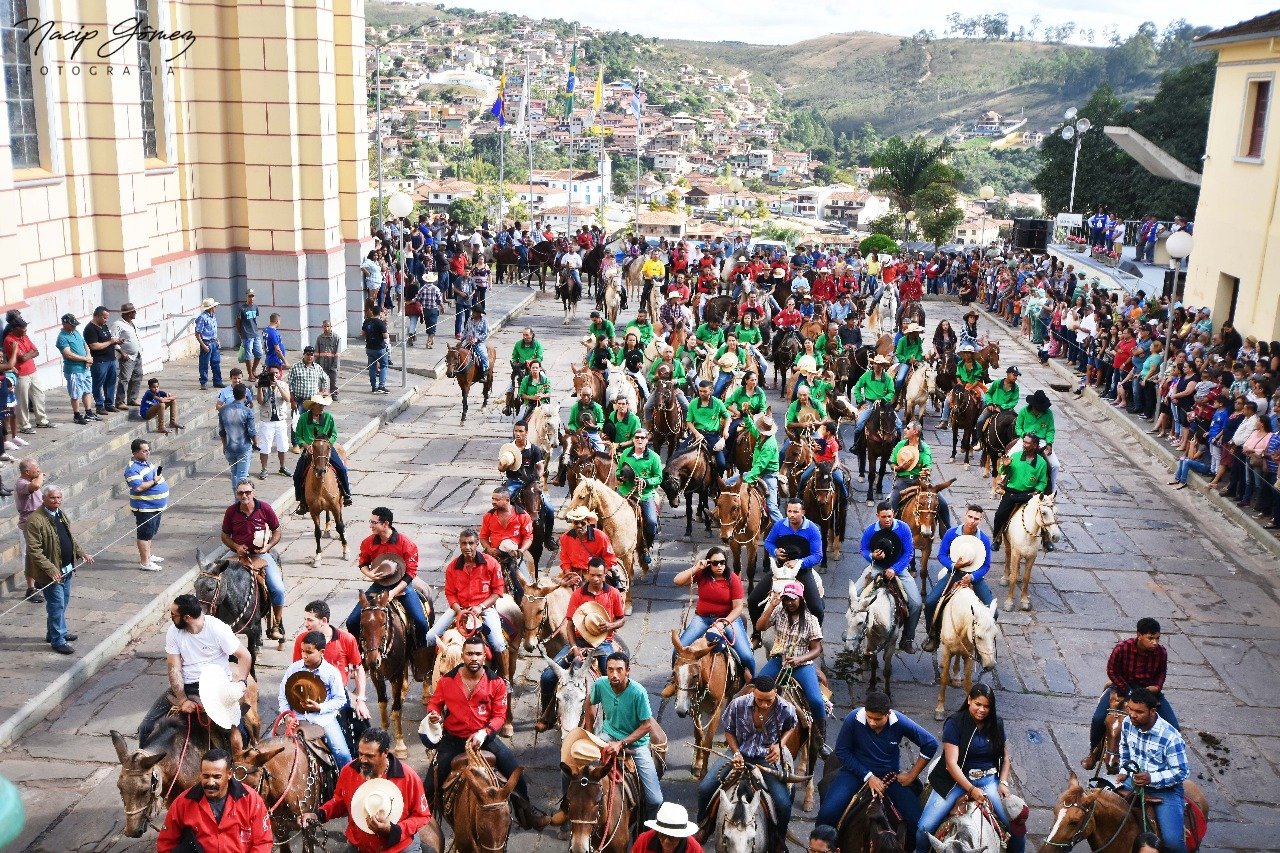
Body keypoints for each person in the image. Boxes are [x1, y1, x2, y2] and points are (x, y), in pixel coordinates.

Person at [421, 634, 547, 829]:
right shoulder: (447, 681)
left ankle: (527, 811)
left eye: (478, 654)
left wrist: (484, 733)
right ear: (463, 656)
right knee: (429, 785)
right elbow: (435, 703)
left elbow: (499, 716)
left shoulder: (496, 683)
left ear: (484, 656)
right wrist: (433, 714)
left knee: (516, 776)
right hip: (453, 740)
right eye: (470, 654)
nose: (474, 658)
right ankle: (421, 822)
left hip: (485, 739)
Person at [915, 684, 1024, 853]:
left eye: (986, 706)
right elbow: (951, 764)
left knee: (1017, 828)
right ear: (969, 700)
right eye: (978, 704)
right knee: (924, 827)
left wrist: (1003, 782)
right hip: (955, 782)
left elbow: (1006, 757)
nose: (982, 710)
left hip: (988, 780)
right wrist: (971, 789)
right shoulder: (955, 723)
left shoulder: (997, 723)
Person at [814, 690, 937, 836]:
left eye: (877, 719)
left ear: (888, 713)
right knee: (826, 815)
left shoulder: (899, 721)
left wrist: (911, 775)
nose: (872, 722)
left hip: (889, 777)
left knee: (917, 824)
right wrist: (868, 776)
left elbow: (930, 743)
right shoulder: (853, 718)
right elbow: (842, 751)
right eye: (869, 717)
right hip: (855, 773)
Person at [139, 594, 253, 746]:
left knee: (237, 734)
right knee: (146, 727)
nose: (171, 617)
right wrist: (182, 699)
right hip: (187, 685)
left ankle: (240, 763)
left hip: (216, 688)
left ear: (186, 617)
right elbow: (174, 668)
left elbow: (244, 655)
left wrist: (242, 681)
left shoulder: (217, 628)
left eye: (173, 615)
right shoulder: (174, 632)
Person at [300, 727, 434, 853]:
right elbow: (340, 801)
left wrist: (394, 830)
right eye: (360, 754)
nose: (362, 760)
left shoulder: (408, 777)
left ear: (385, 753)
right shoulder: (349, 771)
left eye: (370, 756)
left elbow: (422, 816)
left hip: (397, 849)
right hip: (360, 847)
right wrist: (318, 815)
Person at [695, 676, 795, 840]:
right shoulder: (738, 704)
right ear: (753, 692)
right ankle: (703, 825)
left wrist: (780, 745)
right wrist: (736, 752)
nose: (764, 704)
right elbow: (728, 730)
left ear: (775, 693)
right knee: (705, 788)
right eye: (760, 700)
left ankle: (779, 839)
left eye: (768, 701)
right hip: (739, 752)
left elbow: (791, 726)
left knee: (783, 804)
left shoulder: (786, 708)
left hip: (766, 758)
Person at [536, 558, 626, 732]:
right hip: (579, 641)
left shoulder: (613, 593)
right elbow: (570, 624)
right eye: (592, 575)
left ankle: (614, 717)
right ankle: (548, 716)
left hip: (603, 642)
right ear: (586, 573)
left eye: (599, 575)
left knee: (613, 679)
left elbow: (621, 619)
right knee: (547, 676)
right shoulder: (578, 595)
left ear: (605, 573)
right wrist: (574, 647)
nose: (596, 579)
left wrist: (610, 626)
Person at [1086, 618, 1180, 766]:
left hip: (1148, 692)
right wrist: (1127, 690)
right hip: (1123, 687)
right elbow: (1112, 670)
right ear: (1139, 635)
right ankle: (1093, 753)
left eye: (1157, 638)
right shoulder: (1122, 649)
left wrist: (1156, 687)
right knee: (1098, 719)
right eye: (1150, 638)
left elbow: (1161, 674)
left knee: (1174, 726)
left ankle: (1168, 760)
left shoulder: (1161, 652)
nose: (1155, 642)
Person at [586, 652, 663, 821]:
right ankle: (566, 810)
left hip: (637, 745)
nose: (614, 674)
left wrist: (621, 743)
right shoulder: (600, 684)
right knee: (574, 768)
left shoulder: (638, 692)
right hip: (607, 736)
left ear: (627, 670)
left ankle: (648, 831)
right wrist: (590, 733)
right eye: (610, 669)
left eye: (619, 670)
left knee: (655, 800)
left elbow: (647, 725)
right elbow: (590, 702)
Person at [753, 583, 829, 754]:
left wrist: (799, 659)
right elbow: (759, 627)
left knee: (816, 701)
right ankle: (750, 727)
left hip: (802, 665)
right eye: (785, 599)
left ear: (801, 599)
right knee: (755, 686)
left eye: (792, 599)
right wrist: (772, 605)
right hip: (779, 660)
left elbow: (817, 649)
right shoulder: (778, 612)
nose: (788, 603)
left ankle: (820, 739)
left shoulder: (811, 620)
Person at [668, 547, 756, 690]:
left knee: (746, 656)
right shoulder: (702, 574)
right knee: (679, 650)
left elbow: (738, 608)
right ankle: (675, 680)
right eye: (715, 563)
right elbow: (677, 581)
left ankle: (752, 685)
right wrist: (696, 568)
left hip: (727, 620)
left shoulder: (733, 578)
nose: (719, 566)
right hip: (702, 618)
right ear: (709, 563)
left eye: (722, 562)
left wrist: (723, 623)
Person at [1116, 688, 1192, 853]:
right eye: (1130, 709)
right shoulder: (1128, 723)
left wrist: (1152, 778)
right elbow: (1124, 748)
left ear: (1152, 711)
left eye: (1139, 712)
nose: (1133, 715)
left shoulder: (1171, 737)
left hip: (1165, 791)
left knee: (1172, 843)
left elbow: (1182, 772)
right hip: (1132, 781)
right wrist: (1123, 769)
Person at [156, 748, 273, 853]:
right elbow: (165, 844)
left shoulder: (251, 800)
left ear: (230, 774)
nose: (210, 782)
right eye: (206, 776)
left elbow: (263, 842)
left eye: (217, 777)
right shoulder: (183, 803)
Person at [345, 507, 430, 649]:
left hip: (402, 585)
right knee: (352, 621)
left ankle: (422, 655)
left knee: (421, 622)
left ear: (385, 524)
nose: (370, 525)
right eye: (370, 522)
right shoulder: (368, 542)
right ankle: (359, 654)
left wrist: (393, 592)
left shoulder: (405, 543)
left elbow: (410, 573)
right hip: (379, 585)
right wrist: (369, 574)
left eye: (374, 523)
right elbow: (363, 563)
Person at [25, 486, 92, 655]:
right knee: (56, 606)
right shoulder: (35, 520)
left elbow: (69, 537)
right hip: (51, 575)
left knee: (63, 604)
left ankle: (54, 632)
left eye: (59, 498)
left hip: (67, 569)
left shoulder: (60, 514)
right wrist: (51, 569)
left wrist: (81, 552)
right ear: (44, 499)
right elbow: (34, 550)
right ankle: (58, 640)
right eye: (53, 498)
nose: (57, 501)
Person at [426, 529, 508, 661]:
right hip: (459, 609)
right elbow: (450, 593)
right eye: (464, 543)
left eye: (471, 543)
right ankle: (430, 673)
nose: (467, 547)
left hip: (484, 610)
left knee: (498, 643)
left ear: (477, 544)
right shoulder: (452, 567)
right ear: (459, 545)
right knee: (430, 637)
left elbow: (498, 591)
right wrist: (459, 610)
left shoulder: (491, 563)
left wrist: (480, 607)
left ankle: (504, 677)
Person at [922, 505, 994, 653]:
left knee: (993, 611)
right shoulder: (951, 533)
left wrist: (972, 577)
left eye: (976, 519)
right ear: (965, 515)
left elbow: (986, 565)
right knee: (930, 602)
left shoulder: (984, 539)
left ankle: (986, 641)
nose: (972, 521)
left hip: (973, 576)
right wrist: (954, 565)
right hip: (954, 573)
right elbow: (941, 555)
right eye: (970, 517)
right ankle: (932, 635)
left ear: (980, 520)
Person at [222, 479, 287, 641]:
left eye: (247, 492)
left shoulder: (264, 508)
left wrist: (268, 547)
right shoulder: (231, 511)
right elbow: (224, 535)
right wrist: (236, 546)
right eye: (241, 493)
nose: (244, 496)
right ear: (237, 495)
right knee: (213, 577)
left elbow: (277, 531)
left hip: (261, 555)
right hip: (238, 555)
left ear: (254, 493)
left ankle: (276, 624)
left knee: (278, 588)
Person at [853, 501, 920, 651]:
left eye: (890, 516)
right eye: (884, 517)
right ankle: (854, 633)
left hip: (899, 569)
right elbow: (863, 549)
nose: (887, 519)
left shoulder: (903, 528)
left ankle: (907, 638)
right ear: (878, 516)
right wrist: (872, 556)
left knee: (916, 603)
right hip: (877, 567)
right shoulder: (871, 530)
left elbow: (909, 553)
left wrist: (895, 569)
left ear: (893, 514)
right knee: (855, 595)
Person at [280, 631, 353, 768]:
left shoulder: (331, 672)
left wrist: (320, 707)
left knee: (342, 754)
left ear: (322, 652)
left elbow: (340, 699)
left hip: (323, 719)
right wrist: (287, 715)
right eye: (302, 651)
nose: (304, 656)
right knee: (268, 746)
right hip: (297, 717)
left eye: (309, 652)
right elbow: (283, 696)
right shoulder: (293, 669)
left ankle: (347, 784)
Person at [295, 600, 369, 726]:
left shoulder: (346, 639)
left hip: (336, 695)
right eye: (305, 619)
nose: (305, 624)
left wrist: (360, 699)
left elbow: (358, 669)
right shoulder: (301, 640)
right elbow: (296, 671)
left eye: (310, 620)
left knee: (361, 726)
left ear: (324, 620)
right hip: (309, 694)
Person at [760, 498, 825, 620]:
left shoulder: (813, 529)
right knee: (754, 600)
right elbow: (768, 542)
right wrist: (775, 551)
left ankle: (816, 638)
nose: (791, 515)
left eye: (795, 512)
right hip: (780, 569)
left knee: (817, 608)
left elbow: (818, 555)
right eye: (789, 511)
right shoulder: (779, 525)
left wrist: (799, 563)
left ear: (803, 512)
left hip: (802, 571)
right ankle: (757, 634)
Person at [292, 393, 352, 510]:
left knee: (342, 468)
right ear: (313, 406)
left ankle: (347, 494)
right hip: (310, 450)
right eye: (319, 405)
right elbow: (298, 436)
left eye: (323, 406)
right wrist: (306, 445)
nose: (322, 408)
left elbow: (334, 434)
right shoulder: (303, 418)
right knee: (297, 475)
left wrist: (328, 443)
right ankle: (302, 501)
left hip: (326, 448)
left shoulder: (328, 417)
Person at [990, 434, 1049, 550]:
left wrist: (1037, 491)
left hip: (1030, 494)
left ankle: (1046, 540)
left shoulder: (1042, 463)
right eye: (1024, 442)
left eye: (1027, 443)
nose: (1024, 445)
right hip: (1012, 493)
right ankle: (997, 538)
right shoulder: (1015, 456)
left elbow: (1042, 482)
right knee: (999, 515)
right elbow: (1003, 470)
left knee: (1044, 514)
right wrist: (1005, 466)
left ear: (1035, 445)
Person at [617, 429, 662, 560]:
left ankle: (646, 547)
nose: (639, 440)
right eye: (637, 437)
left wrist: (646, 481)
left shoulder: (654, 457)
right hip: (625, 491)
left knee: (652, 522)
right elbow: (619, 470)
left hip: (645, 494)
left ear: (647, 440)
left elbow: (659, 478)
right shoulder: (625, 453)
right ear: (633, 439)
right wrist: (620, 476)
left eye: (642, 438)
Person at [125, 439, 168, 573]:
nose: (148, 452)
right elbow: (139, 487)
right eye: (144, 451)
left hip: (155, 506)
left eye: (148, 450)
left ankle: (148, 555)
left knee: (150, 532)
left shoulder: (146, 462)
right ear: (135, 452)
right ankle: (145, 562)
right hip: (145, 507)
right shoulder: (132, 469)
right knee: (144, 534)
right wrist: (155, 481)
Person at [5, 317, 52, 432]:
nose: (26, 329)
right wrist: (30, 353)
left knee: (39, 395)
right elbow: (22, 357)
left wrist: (29, 354)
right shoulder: (9, 340)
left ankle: (42, 420)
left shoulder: (25, 337)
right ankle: (24, 425)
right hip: (21, 374)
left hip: (32, 371)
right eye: (23, 328)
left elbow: (36, 351)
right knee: (23, 401)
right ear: (16, 328)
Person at [1015, 389, 1059, 493]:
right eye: (1037, 408)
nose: (1039, 410)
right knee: (1010, 456)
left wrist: (1049, 443)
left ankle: (1051, 491)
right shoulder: (1023, 411)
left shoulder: (1048, 414)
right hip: (1025, 439)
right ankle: (1003, 483)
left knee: (1055, 465)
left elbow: (1050, 430)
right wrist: (1024, 435)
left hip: (1041, 440)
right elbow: (1018, 428)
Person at [851, 354, 900, 449]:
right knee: (860, 424)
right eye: (876, 364)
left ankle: (896, 447)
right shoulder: (866, 375)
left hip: (884, 403)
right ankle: (856, 445)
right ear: (873, 364)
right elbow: (857, 388)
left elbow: (891, 392)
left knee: (898, 425)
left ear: (883, 366)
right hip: (869, 403)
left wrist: (883, 399)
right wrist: (861, 401)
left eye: (880, 364)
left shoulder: (887, 378)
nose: (878, 366)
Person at [559, 505, 620, 580]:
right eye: (576, 523)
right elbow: (565, 561)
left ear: (588, 522)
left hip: (596, 573)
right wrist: (569, 575)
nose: (579, 525)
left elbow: (610, 559)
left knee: (612, 591)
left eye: (583, 523)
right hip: (573, 573)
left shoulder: (600, 536)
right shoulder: (565, 537)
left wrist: (600, 575)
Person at [55, 313, 96, 425]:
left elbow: (85, 345)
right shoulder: (62, 337)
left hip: (85, 368)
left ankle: (88, 412)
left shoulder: (75, 332)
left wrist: (88, 357)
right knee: (76, 393)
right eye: (72, 325)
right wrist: (85, 359)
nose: (74, 326)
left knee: (87, 390)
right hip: (74, 369)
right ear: (65, 324)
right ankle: (77, 415)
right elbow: (68, 354)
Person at [218, 385, 257, 498]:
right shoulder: (247, 411)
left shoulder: (224, 410)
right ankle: (240, 501)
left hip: (229, 446)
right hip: (243, 446)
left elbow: (222, 431)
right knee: (242, 476)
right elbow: (252, 432)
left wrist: (224, 445)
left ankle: (237, 499)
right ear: (245, 395)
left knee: (234, 474)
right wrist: (256, 443)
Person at [686, 380, 730, 479]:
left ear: (711, 391)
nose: (702, 393)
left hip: (713, 436)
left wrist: (725, 430)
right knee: (678, 455)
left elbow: (727, 417)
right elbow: (689, 421)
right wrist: (696, 434)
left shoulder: (718, 403)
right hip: (697, 434)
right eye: (700, 391)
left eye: (704, 391)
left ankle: (716, 484)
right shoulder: (693, 403)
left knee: (721, 463)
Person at [15, 457, 45, 602]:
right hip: (28, 523)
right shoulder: (22, 483)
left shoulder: (31, 481)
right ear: (27, 472)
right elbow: (36, 486)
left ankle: (39, 579)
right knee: (30, 555)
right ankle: (30, 588)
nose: (38, 470)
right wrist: (40, 477)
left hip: (39, 521)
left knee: (41, 551)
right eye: (36, 469)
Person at [82, 305, 121, 415]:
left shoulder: (103, 326)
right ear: (97, 316)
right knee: (98, 384)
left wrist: (116, 341)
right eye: (104, 318)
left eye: (107, 318)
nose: (106, 320)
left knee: (111, 382)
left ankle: (109, 404)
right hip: (99, 361)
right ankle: (99, 405)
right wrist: (110, 342)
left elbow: (107, 340)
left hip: (110, 359)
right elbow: (94, 346)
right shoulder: (90, 329)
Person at [797, 420, 848, 502]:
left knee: (839, 480)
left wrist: (832, 469)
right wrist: (814, 450)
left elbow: (836, 459)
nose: (822, 432)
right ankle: (799, 495)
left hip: (828, 466)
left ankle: (845, 496)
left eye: (823, 430)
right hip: (818, 464)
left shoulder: (833, 444)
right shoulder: (821, 440)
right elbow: (815, 454)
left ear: (828, 432)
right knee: (803, 477)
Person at [255, 365, 292, 477]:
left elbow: (287, 399)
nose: (274, 375)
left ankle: (282, 467)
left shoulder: (283, 384)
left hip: (280, 419)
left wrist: (278, 386)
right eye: (272, 373)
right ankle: (264, 469)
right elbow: (260, 401)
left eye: (276, 373)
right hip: (267, 420)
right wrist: (260, 387)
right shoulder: (263, 385)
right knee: (265, 446)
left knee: (283, 445)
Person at [287, 347, 330, 439]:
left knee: (314, 420)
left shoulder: (317, 367)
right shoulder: (295, 367)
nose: (309, 357)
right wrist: (292, 401)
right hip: (299, 400)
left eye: (311, 355)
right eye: (308, 355)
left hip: (313, 400)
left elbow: (325, 378)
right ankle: (295, 443)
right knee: (297, 421)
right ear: (304, 355)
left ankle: (310, 439)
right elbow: (290, 386)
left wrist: (323, 390)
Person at [633, 802, 702, 853]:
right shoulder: (643, 840)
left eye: (672, 837)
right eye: (662, 835)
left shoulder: (694, 849)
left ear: (681, 836)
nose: (666, 842)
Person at [113, 302, 144, 410]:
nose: (135, 313)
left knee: (137, 376)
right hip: (127, 356)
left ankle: (132, 399)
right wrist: (122, 353)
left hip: (137, 354)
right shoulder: (118, 324)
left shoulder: (132, 323)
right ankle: (120, 401)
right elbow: (114, 340)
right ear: (129, 313)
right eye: (133, 312)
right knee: (124, 378)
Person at [977, 366, 1020, 436]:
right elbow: (988, 393)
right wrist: (990, 403)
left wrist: (1002, 407)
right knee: (980, 421)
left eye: (1016, 376)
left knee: (1017, 422)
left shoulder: (1016, 388)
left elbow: (1014, 401)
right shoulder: (997, 383)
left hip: (1006, 409)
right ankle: (979, 439)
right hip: (993, 407)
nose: (1015, 377)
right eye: (1014, 375)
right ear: (1008, 374)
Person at [194, 298, 224, 390]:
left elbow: (213, 331)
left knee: (216, 362)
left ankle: (217, 381)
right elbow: (198, 333)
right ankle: (203, 382)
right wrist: (203, 345)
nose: (216, 308)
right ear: (211, 308)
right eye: (214, 306)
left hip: (213, 342)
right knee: (204, 364)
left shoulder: (213, 317)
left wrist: (217, 340)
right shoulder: (202, 318)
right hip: (206, 343)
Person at [362, 303, 390, 393]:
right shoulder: (380, 323)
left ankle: (373, 386)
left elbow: (362, 333)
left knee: (372, 367)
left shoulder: (366, 321)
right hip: (379, 348)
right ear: (380, 313)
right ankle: (381, 386)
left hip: (369, 348)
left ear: (372, 312)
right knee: (384, 366)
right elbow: (385, 336)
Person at [237, 290, 264, 380]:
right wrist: (240, 333)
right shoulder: (242, 308)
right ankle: (250, 375)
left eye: (252, 296)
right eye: (249, 296)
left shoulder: (255, 307)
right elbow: (238, 322)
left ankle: (253, 370)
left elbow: (255, 319)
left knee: (259, 353)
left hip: (255, 333)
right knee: (248, 355)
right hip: (247, 334)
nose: (251, 298)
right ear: (246, 297)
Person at [314, 320, 342, 397]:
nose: (326, 328)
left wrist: (335, 365)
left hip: (333, 364)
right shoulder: (319, 338)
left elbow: (337, 354)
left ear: (330, 327)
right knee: (322, 380)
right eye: (324, 326)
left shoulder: (336, 338)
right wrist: (316, 365)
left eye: (328, 326)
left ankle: (334, 394)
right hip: (322, 364)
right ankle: (323, 395)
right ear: (322, 327)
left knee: (333, 381)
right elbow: (316, 353)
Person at [894, 323, 925, 390]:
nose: (918, 333)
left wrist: (917, 359)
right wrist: (907, 360)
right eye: (917, 332)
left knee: (928, 374)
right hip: (905, 362)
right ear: (912, 333)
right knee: (899, 379)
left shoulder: (919, 340)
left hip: (917, 362)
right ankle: (897, 392)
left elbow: (920, 351)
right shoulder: (902, 340)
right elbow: (898, 354)